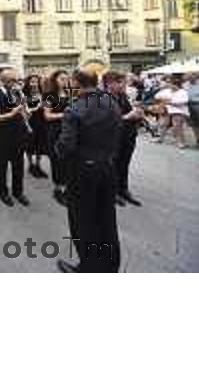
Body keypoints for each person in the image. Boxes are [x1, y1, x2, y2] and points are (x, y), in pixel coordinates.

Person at [56, 69, 122, 273]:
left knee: (83, 220)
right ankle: (110, 264)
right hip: (107, 167)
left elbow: (66, 145)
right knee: (106, 217)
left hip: (82, 171)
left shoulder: (74, 109)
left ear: (76, 82)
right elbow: (119, 130)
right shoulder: (111, 102)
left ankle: (89, 267)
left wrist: (56, 148)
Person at [0, 68, 30, 207]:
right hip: (2, 135)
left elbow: (25, 113)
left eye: (17, 80)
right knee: (2, 166)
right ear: (4, 80)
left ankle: (18, 192)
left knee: (19, 165)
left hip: (18, 134)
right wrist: (12, 114)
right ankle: (2, 192)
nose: (16, 83)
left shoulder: (18, 92)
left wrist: (26, 111)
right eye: (13, 80)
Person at [104, 71, 144, 207]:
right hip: (113, 137)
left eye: (124, 82)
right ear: (109, 83)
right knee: (113, 165)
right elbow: (106, 121)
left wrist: (137, 114)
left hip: (128, 135)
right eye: (120, 82)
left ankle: (123, 189)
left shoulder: (122, 96)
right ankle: (112, 191)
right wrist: (128, 116)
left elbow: (128, 112)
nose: (123, 85)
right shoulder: (104, 98)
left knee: (124, 163)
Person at [43, 70, 71, 206]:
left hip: (68, 131)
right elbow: (47, 116)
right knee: (57, 161)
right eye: (62, 79)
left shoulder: (70, 94)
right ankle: (58, 189)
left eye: (66, 79)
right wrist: (63, 115)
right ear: (55, 80)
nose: (64, 81)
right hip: (54, 132)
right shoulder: (49, 96)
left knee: (67, 161)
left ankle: (66, 187)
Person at [23, 74, 48, 178]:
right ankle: (30, 164)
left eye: (36, 81)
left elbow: (47, 108)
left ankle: (38, 164)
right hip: (30, 122)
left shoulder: (43, 94)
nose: (34, 84)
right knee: (30, 144)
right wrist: (37, 107)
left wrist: (45, 105)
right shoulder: (24, 95)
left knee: (40, 144)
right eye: (32, 81)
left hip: (41, 122)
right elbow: (24, 110)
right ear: (28, 83)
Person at [154, 76, 190, 149]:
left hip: (179, 111)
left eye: (172, 84)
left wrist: (170, 102)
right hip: (168, 110)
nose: (170, 86)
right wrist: (164, 99)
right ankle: (160, 138)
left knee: (177, 126)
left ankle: (180, 142)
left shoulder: (183, 92)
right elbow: (156, 96)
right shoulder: (167, 91)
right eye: (170, 84)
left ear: (177, 85)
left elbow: (184, 101)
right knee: (164, 124)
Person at [187, 74, 199, 146]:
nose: (190, 77)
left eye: (192, 75)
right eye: (189, 75)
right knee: (193, 124)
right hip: (189, 105)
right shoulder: (186, 84)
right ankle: (198, 140)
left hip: (198, 104)